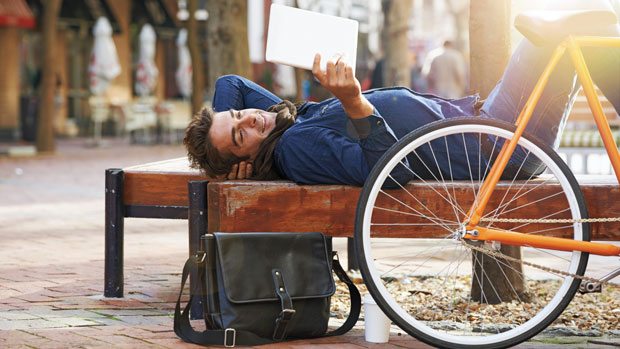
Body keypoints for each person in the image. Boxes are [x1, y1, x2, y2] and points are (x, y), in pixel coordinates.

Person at [184, 2, 620, 187]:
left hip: (493, 125)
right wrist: (354, 101)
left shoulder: (286, 127)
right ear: (248, 161)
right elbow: (385, 171)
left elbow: (230, 84)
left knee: (575, 31)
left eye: (239, 115)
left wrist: (224, 139)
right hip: (501, 145)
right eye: (239, 134)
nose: (248, 118)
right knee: (571, 29)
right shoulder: (296, 147)